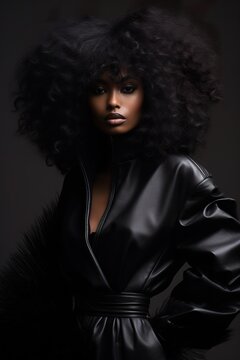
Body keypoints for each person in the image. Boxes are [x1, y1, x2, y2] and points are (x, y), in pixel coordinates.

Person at [1, 6, 240, 360]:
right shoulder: (80, 178)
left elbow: (230, 267)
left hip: (133, 348)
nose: (113, 102)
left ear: (155, 94)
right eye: (99, 89)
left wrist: (162, 337)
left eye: (127, 88)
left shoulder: (178, 174)